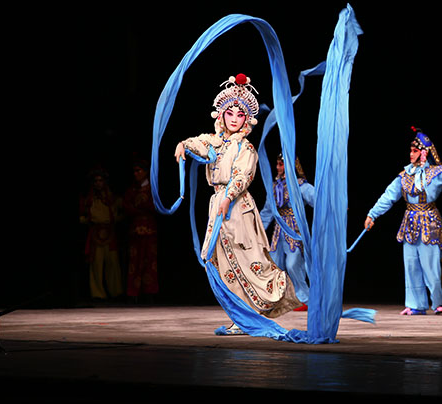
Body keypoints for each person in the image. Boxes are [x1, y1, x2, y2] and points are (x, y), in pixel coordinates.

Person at [174, 73, 301, 334]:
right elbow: (200, 143)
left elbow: (242, 176)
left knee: (247, 261)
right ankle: (241, 318)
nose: (234, 119)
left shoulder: (246, 148)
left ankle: (254, 311)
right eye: (229, 113)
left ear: (246, 119)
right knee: (222, 263)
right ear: (221, 115)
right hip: (218, 205)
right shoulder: (216, 142)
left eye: (240, 115)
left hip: (237, 207)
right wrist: (183, 144)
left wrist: (229, 196)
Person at [364, 128, 442, 315]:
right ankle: (416, 305)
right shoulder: (404, 176)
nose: (411, 154)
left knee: (430, 265)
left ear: (423, 153)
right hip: (410, 224)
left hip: (430, 222)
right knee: (411, 265)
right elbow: (388, 196)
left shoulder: (435, 173)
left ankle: (437, 302)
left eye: (415, 151)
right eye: (410, 151)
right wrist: (372, 215)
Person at [260, 154, 315, 311]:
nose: (278, 167)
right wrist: (257, 230)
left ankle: (304, 299)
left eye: (281, 164)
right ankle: (276, 300)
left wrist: (334, 205)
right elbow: (267, 211)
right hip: (278, 231)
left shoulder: (300, 186)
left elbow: (318, 199)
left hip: (294, 230)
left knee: (293, 265)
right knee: (274, 264)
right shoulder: (274, 187)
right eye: (277, 164)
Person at [79, 167, 124, 301]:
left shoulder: (112, 198)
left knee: (113, 263)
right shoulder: (89, 199)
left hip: (110, 233)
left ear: (105, 182)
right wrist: (88, 221)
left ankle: (116, 292)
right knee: (96, 264)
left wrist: (115, 220)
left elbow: (123, 212)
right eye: (96, 181)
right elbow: (81, 215)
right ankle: (98, 294)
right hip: (95, 233)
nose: (98, 183)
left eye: (100, 180)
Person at [124, 159, 159, 303]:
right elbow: (126, 206)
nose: (136, 174)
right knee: (135, 262)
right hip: (135, 230)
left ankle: (150, 293)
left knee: (150, 262)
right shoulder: (132, 190)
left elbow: (155, 206)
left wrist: (141, 206)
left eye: (139, 171)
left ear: (145, 172)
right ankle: (133, 294)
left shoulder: (152, 188)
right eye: (134, 171)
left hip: (149, 230)